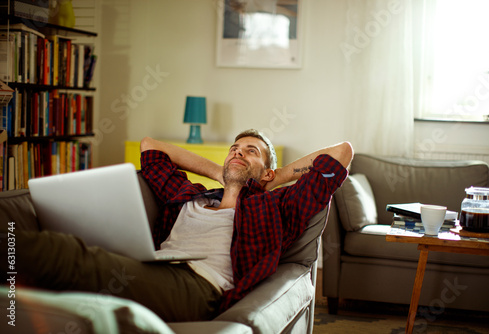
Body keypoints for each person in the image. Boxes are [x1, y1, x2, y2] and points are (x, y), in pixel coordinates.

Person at [1, 129, 353, 322]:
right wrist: (221, 173)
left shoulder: (274, 207)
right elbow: (150, 147)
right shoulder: (191, 196)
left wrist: (267, 181)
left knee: (56, 251)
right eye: (234, 148)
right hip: (149, 268)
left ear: (267, 171)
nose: (238, 153)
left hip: (198, 287)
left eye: (251, 151)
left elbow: (340, 153)